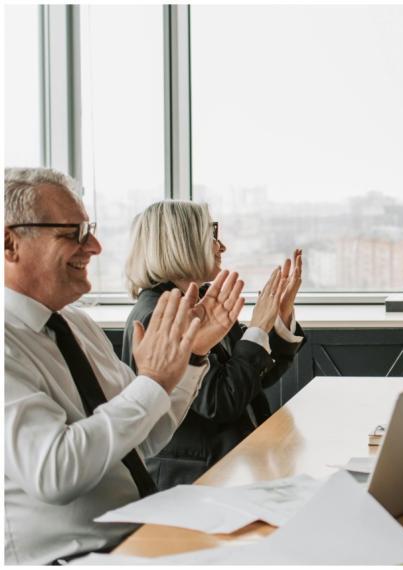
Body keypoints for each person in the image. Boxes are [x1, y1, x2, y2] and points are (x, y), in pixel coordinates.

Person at [4, 167, 245, 564]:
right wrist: (150, 381)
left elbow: (144, 437)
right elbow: (54, 472)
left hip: (139, 536)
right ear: (10, 243)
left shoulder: (77, 324)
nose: (95, 246)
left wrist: (192, 358)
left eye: (90, 229)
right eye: (73, 233)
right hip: (76, 557)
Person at [122, 200, 305, 489]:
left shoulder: (203, 298)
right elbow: (220, 401)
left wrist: (276, 319)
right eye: (212, 236)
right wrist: (258, 327)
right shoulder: (158, 313)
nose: (221, 247)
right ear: (183, 243)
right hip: (195, 482)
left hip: (235, 467)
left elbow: (254, 377)